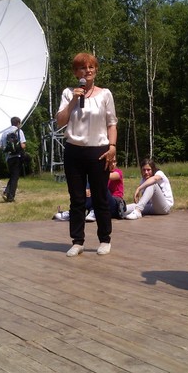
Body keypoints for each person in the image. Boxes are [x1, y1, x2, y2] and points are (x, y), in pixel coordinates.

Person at [56, 52, 117, 256]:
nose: (87, 71)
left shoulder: (105, 94)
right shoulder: (68, 93)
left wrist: (112, 147)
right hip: (74, 151)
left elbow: (112, 123)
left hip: (98, 151)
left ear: (96, 70)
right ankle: (77, 241)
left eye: (91, 67)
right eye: (82, 68)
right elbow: (60, 121)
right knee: (77, 199)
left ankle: (105, 239)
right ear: (76, 72)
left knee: (100, 197)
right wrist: (75, 99)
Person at [54, 161, 125, 222]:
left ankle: (83, 211)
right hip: (102, 205)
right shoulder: (102, 173)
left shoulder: (118, 172)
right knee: (91, 182)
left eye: (114, 162)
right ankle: (77, 212)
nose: (112, 164)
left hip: (115, 204)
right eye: (110, 162)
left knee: (97, 182)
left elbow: (109, 176)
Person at [0, 117, 26, 202]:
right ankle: (10, 197)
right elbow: (23, 145)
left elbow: (0, 146)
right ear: (18, 123)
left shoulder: (5, 133)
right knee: (15, 177)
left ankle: (6, 192)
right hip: (17, 157)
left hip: (9, 158)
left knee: (13, 176)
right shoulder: (19, 131)